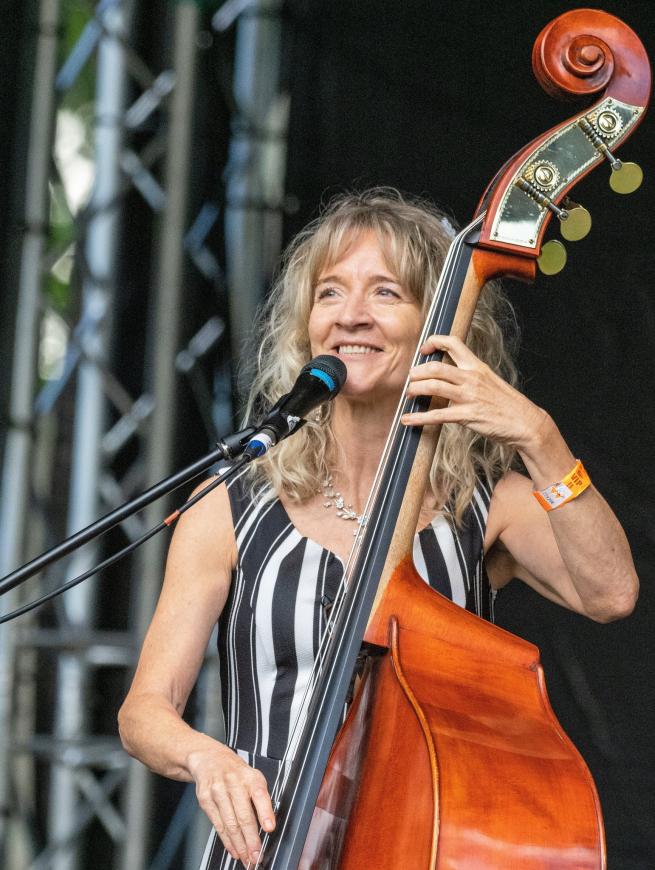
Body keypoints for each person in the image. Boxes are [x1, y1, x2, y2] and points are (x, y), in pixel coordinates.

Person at [118, 189, 638, 868]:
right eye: (329, 293)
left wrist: (540, 438)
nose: (350, 317)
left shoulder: (488, 506)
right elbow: (144, 712)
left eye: (385, 293)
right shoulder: (231, 503)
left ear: (438, 325)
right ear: (305, 323)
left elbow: (610, 593)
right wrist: (204, 757)